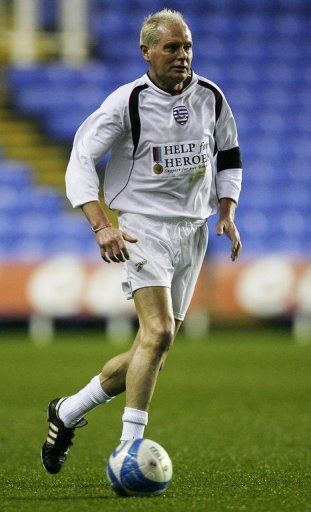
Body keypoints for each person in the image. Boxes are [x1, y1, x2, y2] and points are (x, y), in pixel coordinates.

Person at [41, 8, 242, 474]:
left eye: (187, 46)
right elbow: (81, 158)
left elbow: (229, 151)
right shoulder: (127, 101)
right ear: (146, 51)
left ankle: (66, 412)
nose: (182, 56)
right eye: (172, 48)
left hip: (193, 230)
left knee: (149, 350)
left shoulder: (210, 96)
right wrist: (102, 225)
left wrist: (227, 210)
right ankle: (129, 450)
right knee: (160, 333)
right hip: (143, 227)